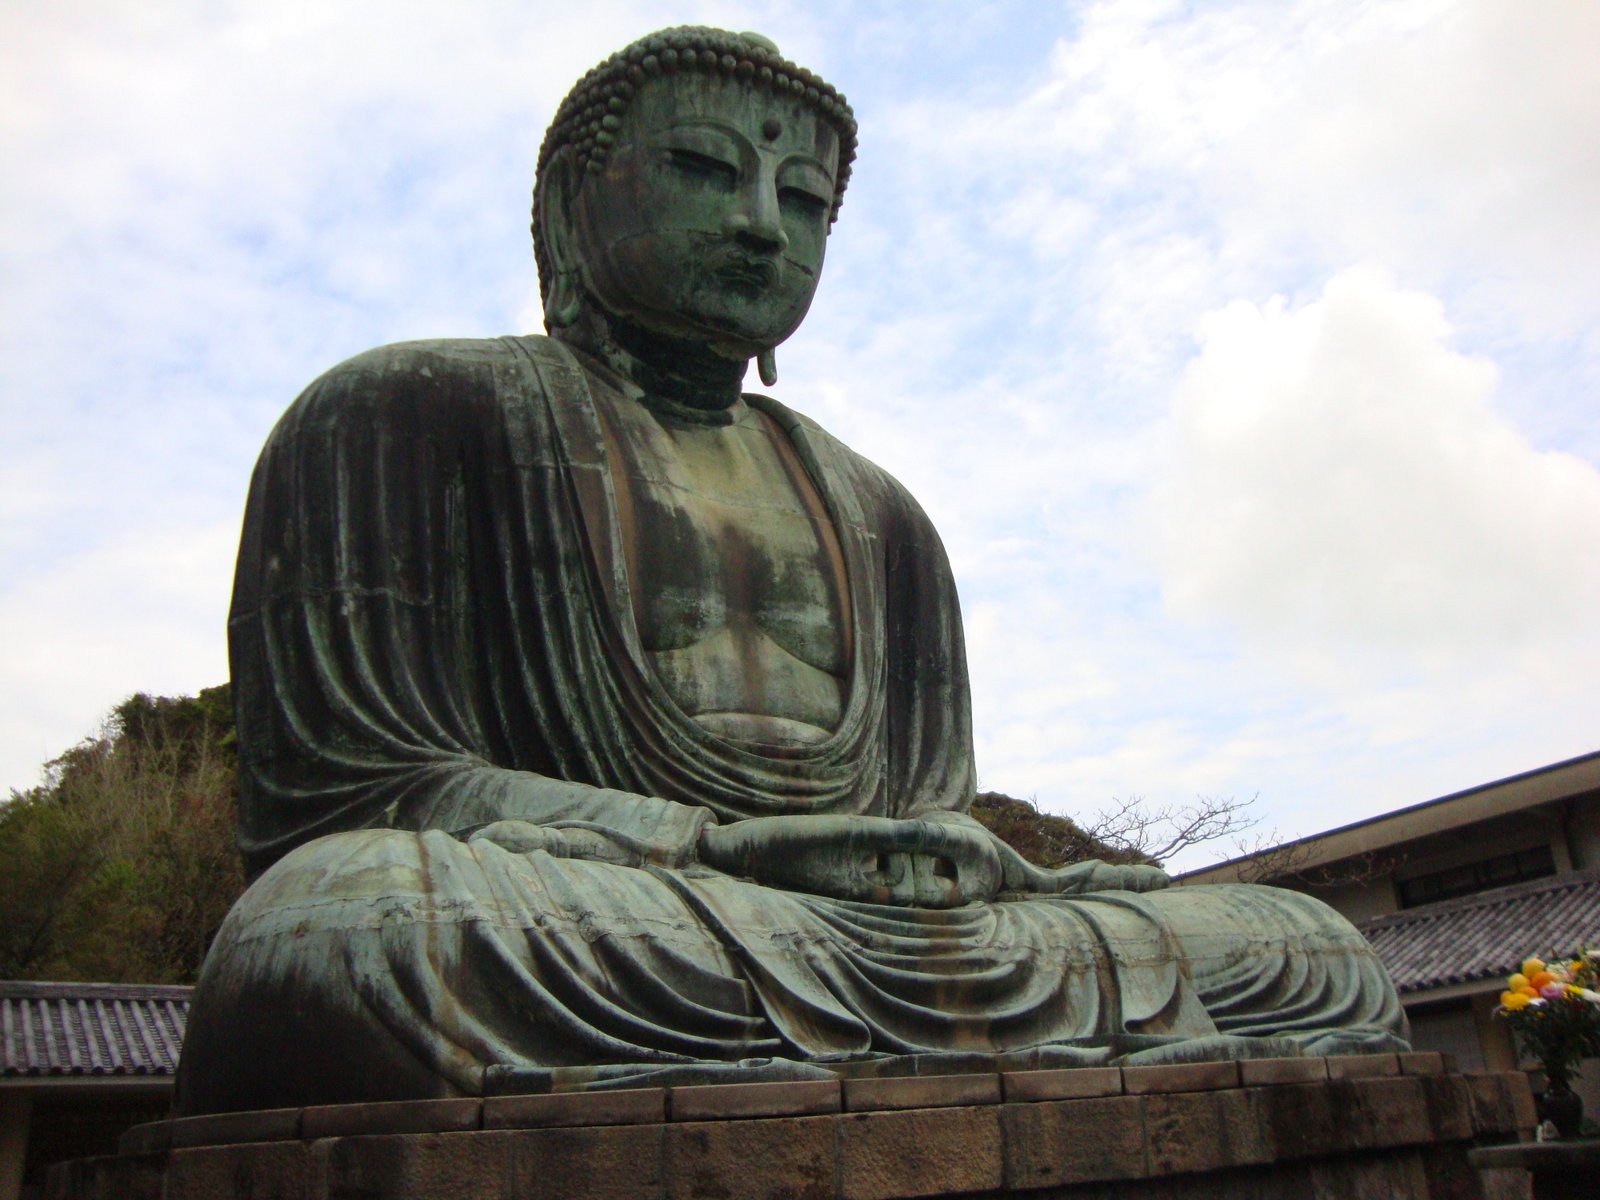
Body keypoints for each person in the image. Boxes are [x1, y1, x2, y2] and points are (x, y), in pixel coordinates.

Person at [176, 27, 1407, 1114]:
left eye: (805, 199)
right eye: (705, 169)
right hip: (612, 912)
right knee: (346, 923)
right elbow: (356, 801)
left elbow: (927, 815)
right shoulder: (401, 413)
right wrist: (707, 847)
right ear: (567, 204)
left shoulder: (883, 513)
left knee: (1307, 949)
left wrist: (990, 865)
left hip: (865, 939)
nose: (762, 223)